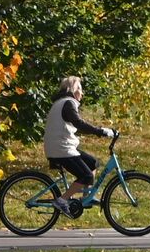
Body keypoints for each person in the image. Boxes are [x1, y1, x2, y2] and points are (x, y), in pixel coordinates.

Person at [43, 76, 115, 216]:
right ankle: (62, 200)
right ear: (74, 90)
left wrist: (98, 131)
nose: (82, 94)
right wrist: (101, 131)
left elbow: (78, 125)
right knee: (87, 176)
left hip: (61, 146)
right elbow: (79, 123)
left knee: (93, 163)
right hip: (62, 148)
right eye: (80, 90)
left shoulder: (61, 102)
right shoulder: (68, 103)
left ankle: (85, 197)